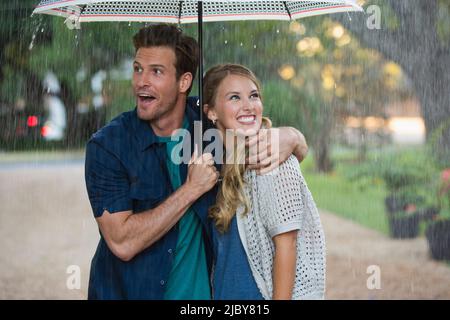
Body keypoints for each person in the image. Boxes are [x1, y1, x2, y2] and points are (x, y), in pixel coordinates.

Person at [84, 24, 308, 300]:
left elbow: (248, 122)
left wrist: (293, 137)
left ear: (184, 82)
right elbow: (122, 243)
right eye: (138, 68)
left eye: (156, 71)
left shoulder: (208, 122)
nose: (142, 81)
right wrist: (191, 190)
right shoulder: (109, 146)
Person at [203, 64, 326, 300]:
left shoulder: (274, 162)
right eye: (234, 98)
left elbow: (286, 246)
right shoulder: (218, 165)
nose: (248, 106)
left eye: (254, 96)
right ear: (211, 112)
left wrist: (294, 136)